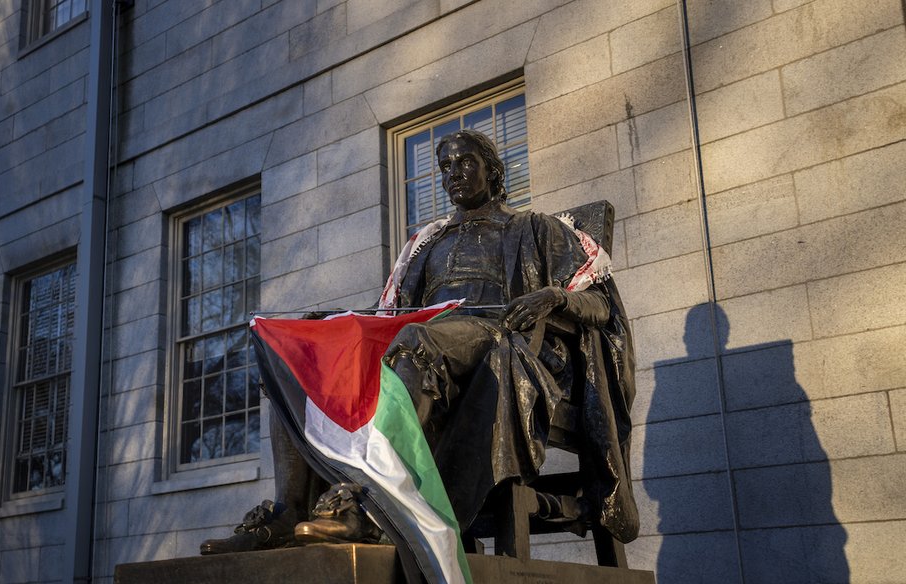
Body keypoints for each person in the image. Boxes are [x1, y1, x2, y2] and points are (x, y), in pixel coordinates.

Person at [201, 129, 637, 555]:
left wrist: (552, 296)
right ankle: (287, 510)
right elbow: (387, 313)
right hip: (425, 343)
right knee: (304, 354)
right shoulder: (426, 243)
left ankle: (376, 503)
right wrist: (330, 324)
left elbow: (599, 302)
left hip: (495, 337)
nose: (453, 173)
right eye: (445, 166)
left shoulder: (536, 228)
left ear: (494, 170)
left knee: (416, 339)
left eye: (466, 162)